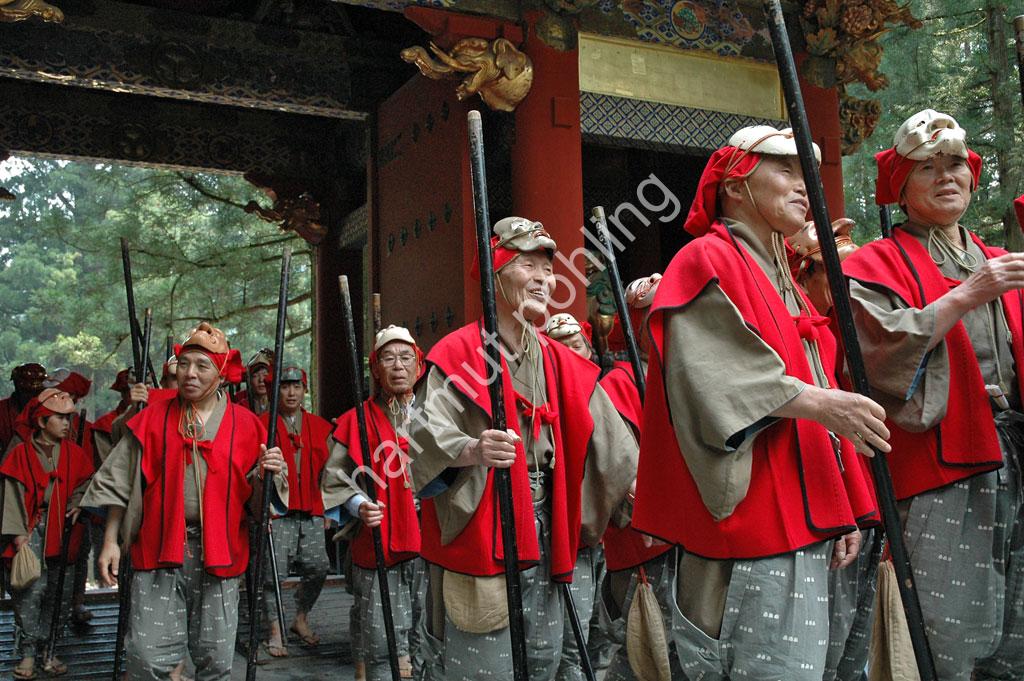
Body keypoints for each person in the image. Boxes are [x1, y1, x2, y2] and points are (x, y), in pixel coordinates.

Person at [631, 125, 882, 681]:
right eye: (786, 170)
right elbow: (711, 378)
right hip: (752, 525)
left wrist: (840, 504)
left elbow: (813, 392)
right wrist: (817, 402)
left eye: (807, 174)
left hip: (806, 515)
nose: (803, 185)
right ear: (737, 185)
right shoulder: (704, 260)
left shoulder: (784, 279)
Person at [408, 216, 638, 681]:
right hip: (489, 518)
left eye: (547, 269)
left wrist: (639, 496)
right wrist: (472, 449)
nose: (542, 278)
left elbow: (613, 447)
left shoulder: (559, 359)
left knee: (543, 658)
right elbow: (421, 438)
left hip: (549, 524)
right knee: (484, 663)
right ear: (496, 272)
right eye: (526, 264)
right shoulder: (460, 354)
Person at [842, 109, 1024, 681]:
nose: (947, 177)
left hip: (1016, 450)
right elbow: (874, 356)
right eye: (928, 168)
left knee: (1016, 627)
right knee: (950, 629)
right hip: (944, 463)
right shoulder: (872, 264)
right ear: (901, 185)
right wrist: (964, 296)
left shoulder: (999, 261)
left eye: (955, 165)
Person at [80, 322, 286, 680]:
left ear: (221, 374)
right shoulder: (151, 419)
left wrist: (271, 474)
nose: (190, 373)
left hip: (220, 555)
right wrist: (111, 540)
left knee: (216, 659)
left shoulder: (249, 426)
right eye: (184, 363)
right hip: (158, 549)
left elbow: (259, 509)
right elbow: (121, 482)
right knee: (145, 657)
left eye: (202, 366)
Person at [323, 325, 428, 681]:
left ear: (419, 367)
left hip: (432, 539)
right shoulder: (355, 420)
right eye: (388, 358)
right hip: (377, 537)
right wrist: (358, 504)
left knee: (429, 634)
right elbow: (335, 480)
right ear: (375, 369)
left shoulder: (438, 415)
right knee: (381, 639)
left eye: (405, 358)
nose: (398, 366)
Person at [1, 389, 94, 679]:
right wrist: (18, 537)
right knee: (30, 591)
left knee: (60, 593)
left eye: (69, 418)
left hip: (64, 529)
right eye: (60, 418)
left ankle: (49, 651)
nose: (67, 424)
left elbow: (87, 483)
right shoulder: (20, 454)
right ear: (42, 422)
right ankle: (28, 652)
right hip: (31, 530)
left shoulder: (75, 454)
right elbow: (11, 496)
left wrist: (78, 501)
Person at [258, 365, 332, 658]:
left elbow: (330, 472)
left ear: (304, 390)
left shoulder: (319, 426)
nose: (291, 392)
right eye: (285, 387)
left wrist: (328, 508)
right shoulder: (262, 424)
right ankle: (274, 630)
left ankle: (300, 617)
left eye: (296, 387)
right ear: (276, 391)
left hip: (312, 508)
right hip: (278, 512)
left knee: (318, 566)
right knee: (271, 572)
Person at [0, 363, 47, 454]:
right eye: (27, 391)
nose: (32, 397)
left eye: (37, 392)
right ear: (17, 385)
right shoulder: (2, 409)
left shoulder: (49, 410)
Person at [236, 349, 273, 415]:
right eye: (255, 376)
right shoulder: (242, 406)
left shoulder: (280, 405)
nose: (261, 380)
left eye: (265, 375)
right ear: (249, 380)